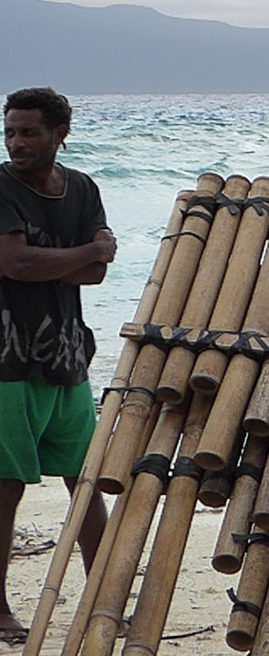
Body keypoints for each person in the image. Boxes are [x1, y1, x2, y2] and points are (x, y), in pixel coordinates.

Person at [0, 87, 113, 644]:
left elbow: (96, 276)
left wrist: (76, 262)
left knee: (87, 480)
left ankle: (103, 599)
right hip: (5, 360)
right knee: (4, 486)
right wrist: (87, 252)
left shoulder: (83, 188)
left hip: (66, 353)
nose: (16, 143)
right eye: (10, 131)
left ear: (59, 134)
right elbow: (16, 263)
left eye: (29, 132)